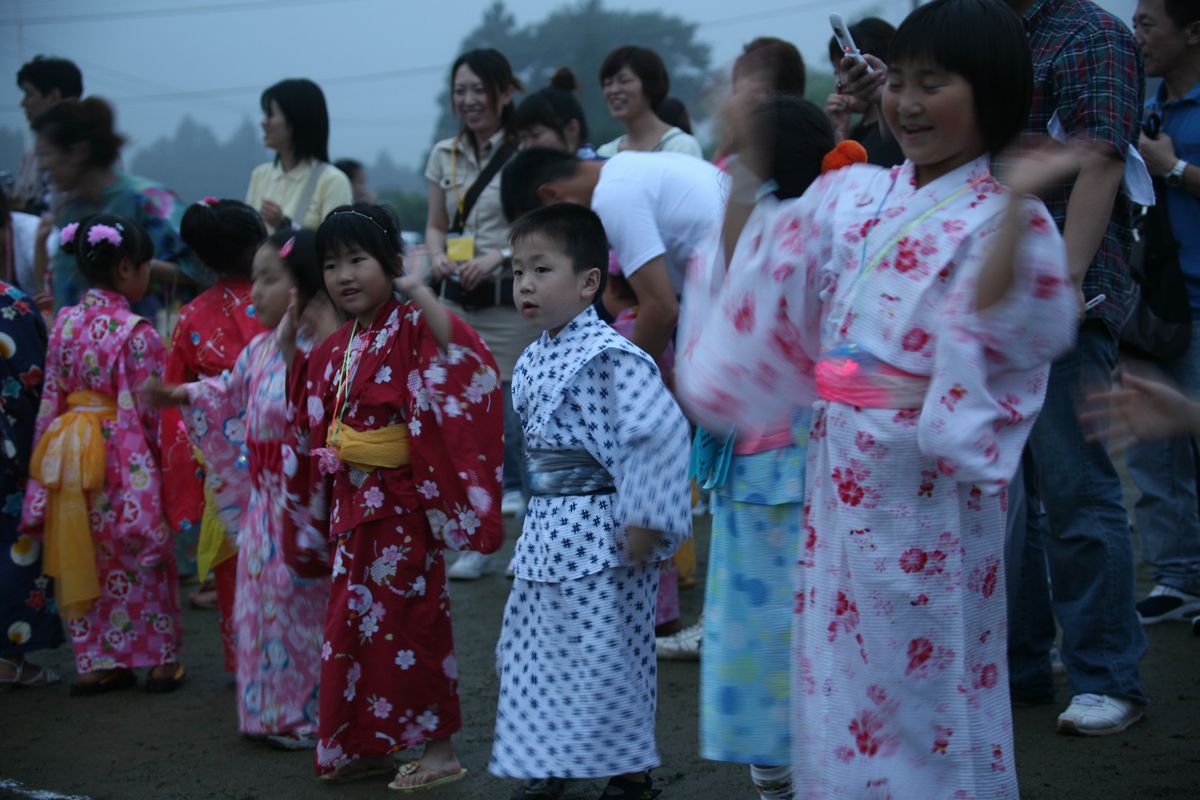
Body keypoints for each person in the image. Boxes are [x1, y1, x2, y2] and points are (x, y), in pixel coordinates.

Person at [675, 0, 1077, 794]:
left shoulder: (1012, 216)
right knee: (838, 673)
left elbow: (1001, 330)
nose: (910, 102)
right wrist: (748, 162)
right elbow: (760, 269)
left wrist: (1007, 215)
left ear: (993, 94)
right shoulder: (855, 193)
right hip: (835, 465)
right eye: (899, 81)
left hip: (922, 481)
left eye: (934, 83)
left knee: (922, 677)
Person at [281, 204, 504, 787]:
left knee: (412, 626)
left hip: (401, 505)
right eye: (331, 265)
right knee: (353, 627)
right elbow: (309, 416)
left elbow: (465, 355)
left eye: (358, 260)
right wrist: (288, 348)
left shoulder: (409, 325)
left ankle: (440, 751)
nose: (344, 276)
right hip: (354, 507)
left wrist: (421, 294)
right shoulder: (338, 344)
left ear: (390, 263)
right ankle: (367, 740)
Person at [489, 202, 691, 800]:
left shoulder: (613, 355)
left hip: (603, 530)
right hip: (548, 525)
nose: (525, 284)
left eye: (541, 269)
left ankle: (629, 776)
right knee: (540, 647)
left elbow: (656, 432)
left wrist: (644, 519)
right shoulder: (533, 357)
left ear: (588, 281)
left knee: (606, 653)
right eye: (518, 270)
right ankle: (552, 757)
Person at [686, 96, 848, 800]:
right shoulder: (830, 230)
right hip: (801, 459)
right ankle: (795, 768)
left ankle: (777, 771)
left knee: (760, 629)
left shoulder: (771, 236)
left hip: (770, 461)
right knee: (807, 626)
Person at [998, 0, 1149, 735]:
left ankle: (1104, 675)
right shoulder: (989, 32)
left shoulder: (1090, 34)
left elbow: (1101, 157)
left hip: (1066, 297)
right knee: (1007, 499)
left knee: (1076, 492)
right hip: (990, 300)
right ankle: (1022, 667)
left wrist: (1062, 288)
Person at [144, 228, 332, 748]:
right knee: (258, 612)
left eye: (269, 279)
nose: (255, 293)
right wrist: (177, 392)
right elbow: (226, 390)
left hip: (308, 508)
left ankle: (304, 715)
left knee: (300, 615)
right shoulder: (257, 351)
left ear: (304, 287)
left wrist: (296, 350)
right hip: (265, 508)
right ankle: (266, 712)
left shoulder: (330, 351)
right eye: (255, 278)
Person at [21, 213, 185, 695]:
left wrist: (42, 468)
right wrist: (157, 466)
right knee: (140, 549)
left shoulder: (66, 321)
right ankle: (158, 661)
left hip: (69, 452)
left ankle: (97, 663)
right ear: (125, 268)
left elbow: (51, 395)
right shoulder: (136, 332)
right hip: (118, 450)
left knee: (84, 551)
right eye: (145, 267)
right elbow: (148, 410)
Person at [426, 49, 535, 577]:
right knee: (465, 429)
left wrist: (500, 255)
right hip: (457, 304)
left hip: (511, 306)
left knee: (519, 426)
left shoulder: (523, 150)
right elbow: (433, 225)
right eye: (459, 90)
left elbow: (540, 223)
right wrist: (440, 253)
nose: (467, 100)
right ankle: (477, 540)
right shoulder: (441, 154)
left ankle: (531, 538)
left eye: (477, 90)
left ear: (504, 92)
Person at [160, 198, 267, 664]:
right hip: (281, 450)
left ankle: (244, 659)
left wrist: (188, 478)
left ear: (202, 259)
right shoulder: (285, 300)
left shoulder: (191, 316)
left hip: (224, 463)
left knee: (234, 561)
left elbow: (174, 404)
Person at [501, 147, 726, 361]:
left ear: (550, 194)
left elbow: (661, 310)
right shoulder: (628, 167)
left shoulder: (613, 197)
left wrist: (621, 387)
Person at [1125, 0, 1200, 626]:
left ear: (1194, 30)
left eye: (1149, 23)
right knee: (1154, 455)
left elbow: (1164, 174)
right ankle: (1177, 581)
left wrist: (1172, 168)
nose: (1137, 33)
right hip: (1156, 307)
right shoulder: (1146, 103)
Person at [32, 98, 202, 316]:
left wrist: (138, 265)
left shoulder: (148, 200)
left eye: (46, 154)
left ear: (78, 152)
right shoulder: (71, 214)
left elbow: (203, 268)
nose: (42, 165)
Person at [0, 280, 64, 691]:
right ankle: (7, 660)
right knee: (12, 548)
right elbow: (34, 380)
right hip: (9, 453)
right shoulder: (9, 303)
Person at [245, 78, 353, 233]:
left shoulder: (332, 181)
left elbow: (336, 247)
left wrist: (283, 225)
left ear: (296, 119)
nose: (263, 122)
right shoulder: (259, 175)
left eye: (270, 114)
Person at [824, 18, 906, 167]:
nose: (840, 83)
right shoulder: (853, 135)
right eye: (836, 72)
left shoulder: (902, 130)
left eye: (850, 70)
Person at [596, 46, 703, 158]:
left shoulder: (680, 147)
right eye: (607, 84)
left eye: (624, 81)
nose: (613, 90)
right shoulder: (605, 153)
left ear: (650, 85)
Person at [14, 55, 82, 215]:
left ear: (54, 96)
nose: (23, 104)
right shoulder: (31, 157)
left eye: (29, 94)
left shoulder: (92, 150)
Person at [513, 68, 598, 158]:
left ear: (572, 129)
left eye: (535, 135)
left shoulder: (606, 170)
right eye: (523, 138)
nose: (527, 146)